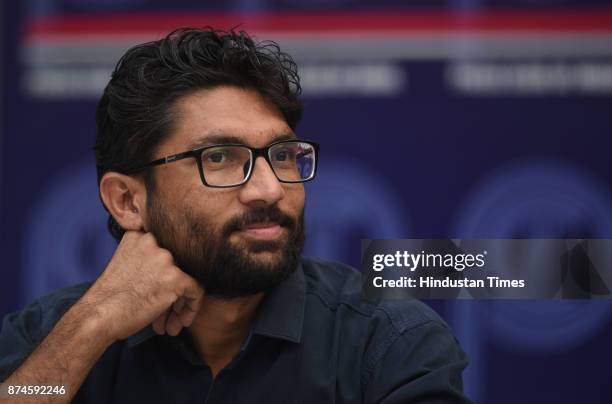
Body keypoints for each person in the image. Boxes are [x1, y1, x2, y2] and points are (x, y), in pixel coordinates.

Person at [0, 27, 470, 403]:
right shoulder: (55, 340)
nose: (269, 189)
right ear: (127, 201)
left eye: (283, 155)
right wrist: (93, 325)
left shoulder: (386, 342)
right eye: (220, 158)